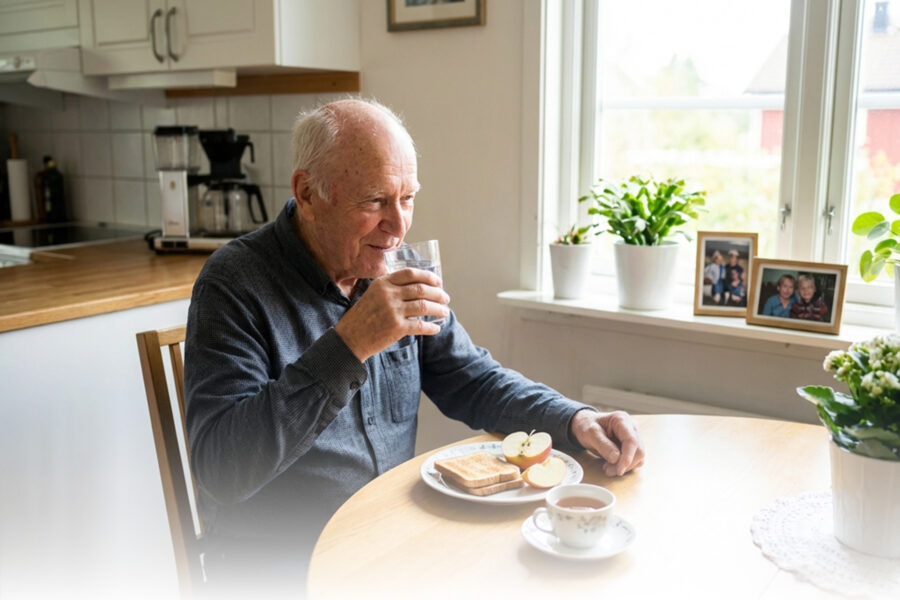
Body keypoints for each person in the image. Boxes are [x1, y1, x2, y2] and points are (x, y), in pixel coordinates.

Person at [183, 98, 644, 596]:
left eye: (407, 198)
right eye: (375, 201)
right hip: (282, 566)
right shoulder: (234, 283)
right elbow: (220, 470)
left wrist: (575, 419)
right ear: (308, 193)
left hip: (390, 544)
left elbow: (475, 380)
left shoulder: (394, 265)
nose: (398, 226)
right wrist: (351, 343)